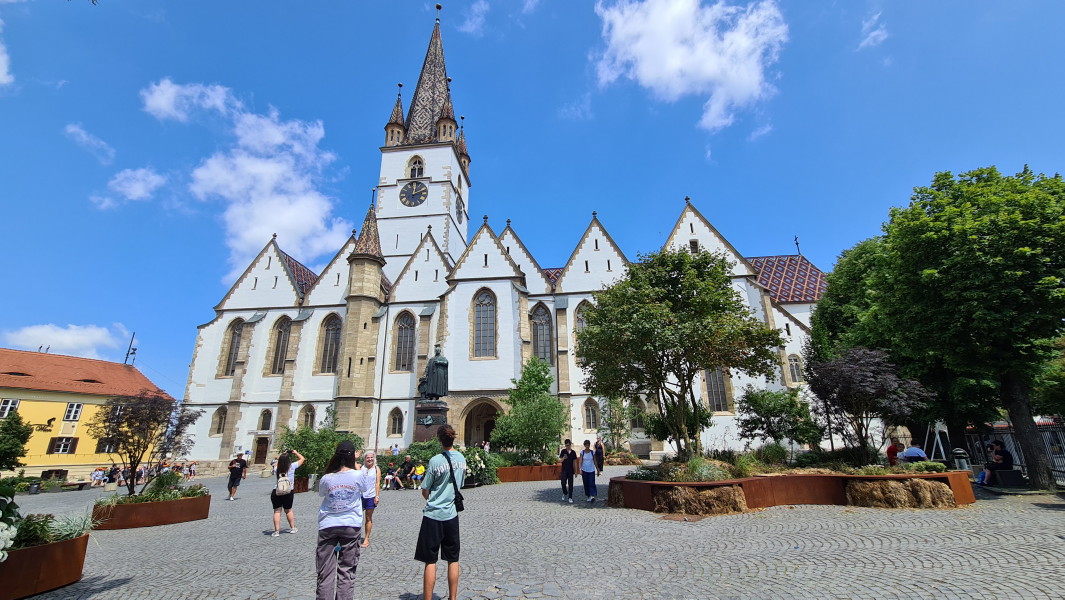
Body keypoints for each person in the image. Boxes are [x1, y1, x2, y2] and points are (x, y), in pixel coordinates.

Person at [416, 424, 466, 600]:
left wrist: (434, 499)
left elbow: (425, 490)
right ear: (453, 438)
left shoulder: (435, 461)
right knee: (453, 559)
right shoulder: (461, 458)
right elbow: (460, 484)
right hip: (452, 515)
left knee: (430, 561)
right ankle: (453, 598)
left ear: (439, 440)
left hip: (433, 516)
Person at [316, 441, 366, 600]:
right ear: (353, 457)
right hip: (350, 525)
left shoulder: (326, 477)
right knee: (347, 571)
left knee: (324, 572)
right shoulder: (358, 474)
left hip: (328, 525)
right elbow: (364, 488)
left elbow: (322, 493)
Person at [270, 449, 305, 537]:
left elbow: (275, 464)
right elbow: (302, 459)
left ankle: (276, 531)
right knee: (288, 510)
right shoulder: (292, 466)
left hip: (277, 491)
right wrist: (296, 452)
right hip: (288, 491)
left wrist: (282, 456)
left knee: (277, 511)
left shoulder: (276, 468)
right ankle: (292, 528)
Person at [358, 450, 381, 548]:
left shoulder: (376, 469)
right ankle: (355, 537)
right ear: (364, 459)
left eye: (371, 457)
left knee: (368, 517)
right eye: (368, 457)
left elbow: (377, 483)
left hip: (371, 496)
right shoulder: (360, 467)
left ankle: (366, 538)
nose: (370, 459)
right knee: (357, 517)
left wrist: (377, 495)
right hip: (360, 495)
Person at [559, 439, 578, 504]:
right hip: (564, 470)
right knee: (563, 482)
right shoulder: (563, 451)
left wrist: (576, 471)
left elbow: (575, 462)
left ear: (570, 444)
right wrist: (563, 458)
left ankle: (570, 497)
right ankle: (565, 492)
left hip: (570, 470)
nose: (567, 446)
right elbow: (560, 461)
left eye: (568, 445)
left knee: (571, 484)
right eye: (566, 445)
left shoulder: (573, 452)